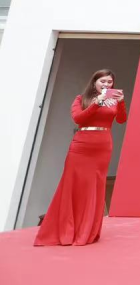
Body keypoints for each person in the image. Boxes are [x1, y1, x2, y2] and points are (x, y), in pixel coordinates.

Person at [35, 69, 128, 246]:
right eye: (103, 81)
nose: (106, 85)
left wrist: (122, 102)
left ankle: (87, 230)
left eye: (109, 82)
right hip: (81, 146)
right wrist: (96, 104)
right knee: (73, 184)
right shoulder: (81, 99)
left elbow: (122, 120)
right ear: (94, 82)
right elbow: (78, 119)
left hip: (102, 147)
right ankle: (66, 230)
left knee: (94, 186)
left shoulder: (114, 100)